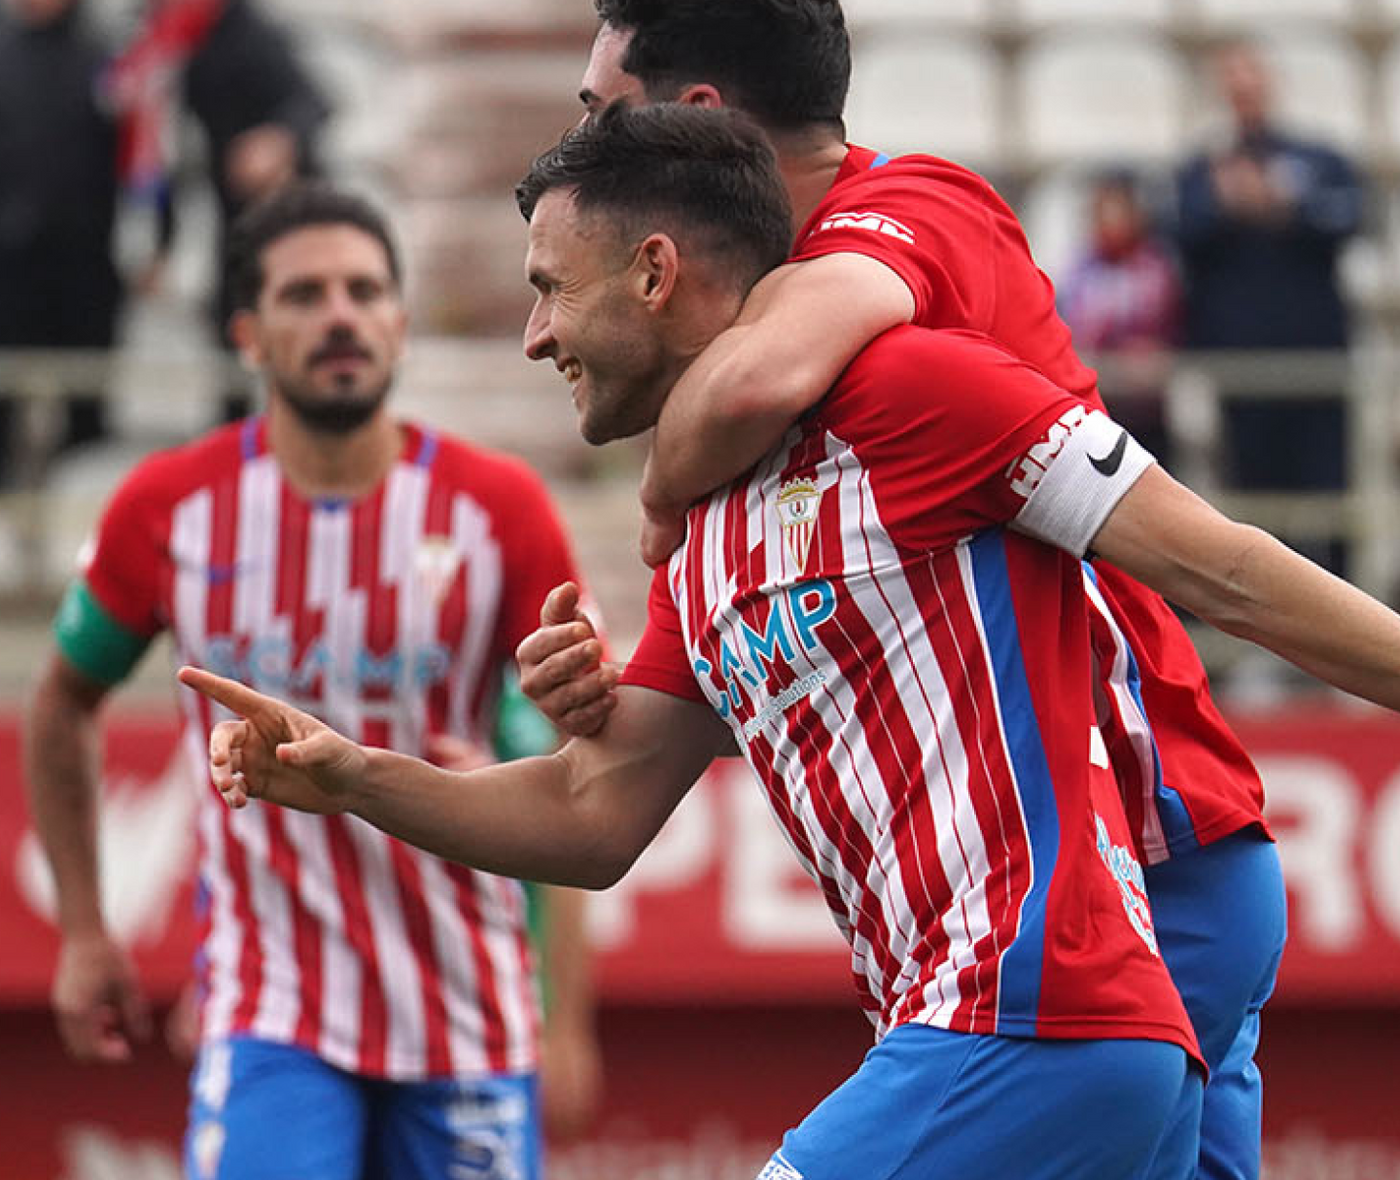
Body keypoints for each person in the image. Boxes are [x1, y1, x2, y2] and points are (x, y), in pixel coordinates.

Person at [185, 102, 1213, 1180]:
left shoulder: (900, 391)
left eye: (548, 288)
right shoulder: (706, 542)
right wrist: (354, 773)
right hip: (1031, 1033)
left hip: (1022, 1012)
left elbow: (1227, 570)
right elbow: (594, 809)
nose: (536, 335)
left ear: (653, 270)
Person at [563, 0, 1286, 1179]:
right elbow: (607, 801)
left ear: (695, 118)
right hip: (1078, 889)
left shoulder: (901, 214)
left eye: (598, 114)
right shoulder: (768, 414)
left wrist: (657, 488)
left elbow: (752, 377)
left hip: (1134, 847)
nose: (581, 149)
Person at [22, 181, 600, 1179]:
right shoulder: (171, 506)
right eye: (303, 295)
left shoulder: (499, 509)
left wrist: (570, 1014)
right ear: (247, 332)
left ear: (398, 322)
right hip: (271, 1005)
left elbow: (571, 765)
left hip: (469, 1006)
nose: (339, 313)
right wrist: (82, 930)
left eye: (362, 289)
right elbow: (63, 699)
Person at [1175, 37, 1364, 570]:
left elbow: (1350, 221)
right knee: (1254, 504)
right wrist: (1226, 205)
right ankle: (1267, 638)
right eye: (1234, 85)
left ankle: (1342, 629)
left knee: (1330, 495)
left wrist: (1284, 204)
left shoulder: (1318, 160)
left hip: (1315, 359)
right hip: (1240, 363)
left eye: (1252, 82)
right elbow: (1184, 240)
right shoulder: (1201, 171)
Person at [111, 0, 329, 362]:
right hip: (164, 231)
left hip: (239, 230)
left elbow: (310, 102)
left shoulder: (247, 33)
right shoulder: (146, 45)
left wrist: (276, 141)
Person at [0, 0, 122, 468]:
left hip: (84, 261)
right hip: (10, 263)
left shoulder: (105, 61)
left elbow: (138, 159)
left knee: (85, 404)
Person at [1058, 169, 1181, 466]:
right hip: (1096, 404)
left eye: (1119, 212)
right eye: (1103, 212)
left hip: (1147, 405)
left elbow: (1171, 326)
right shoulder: (1078, 271)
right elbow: (1072, 328)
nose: (1111, 223)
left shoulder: (1158, 266)